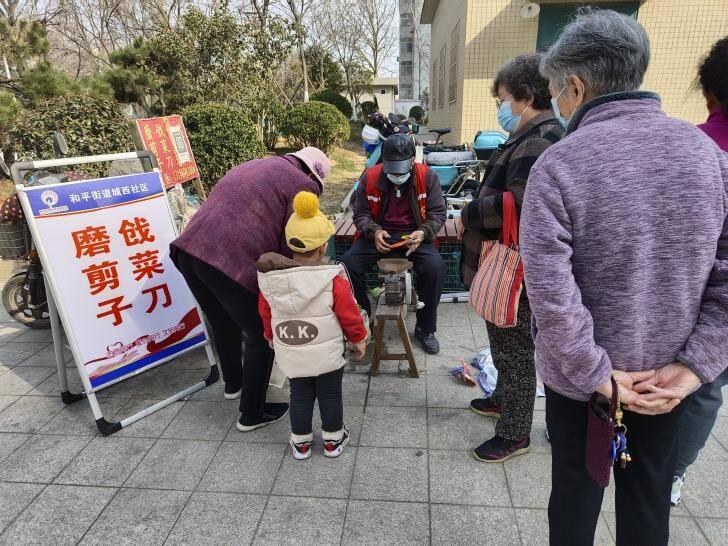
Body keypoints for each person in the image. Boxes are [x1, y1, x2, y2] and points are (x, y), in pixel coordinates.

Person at [520, 9, 728, 546]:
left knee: (575, 492)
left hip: (582, 385)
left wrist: (597, 373)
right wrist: (693, 366)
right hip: (664, 383)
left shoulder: (560, 165)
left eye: (556, 91)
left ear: (575, 85)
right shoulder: (709, 158)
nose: (558, 104)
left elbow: (550, 293)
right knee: (648, 500)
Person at [170, 148, 331, 432]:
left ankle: (234, 384)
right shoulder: (300, 183)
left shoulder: (257, 165)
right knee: (260, 334)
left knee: (223, 323)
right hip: (226, 261)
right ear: (311, 175)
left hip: (190, 251)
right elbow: (293, 244)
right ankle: (252, 413)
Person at [458, 53, 564, 463]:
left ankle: (515, 433)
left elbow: (519, 203)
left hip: (514, 266)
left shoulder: (539, 139)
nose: (502, 107)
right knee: (502, 340)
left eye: (503, 97)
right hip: (503, 260)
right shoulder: (530, 135)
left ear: (524, 95)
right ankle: (503, 398)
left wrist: (466, 213)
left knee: (515, 350)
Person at [257, 191, 367, 460]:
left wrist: (270, 336)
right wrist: (358, 339)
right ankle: (332, 440)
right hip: (326, 354)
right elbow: (350, 315)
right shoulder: (333, 280)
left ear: (290, 245)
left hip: (292, 351)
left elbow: (266, 312)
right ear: (322, 248)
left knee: (300, 395)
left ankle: (301, 443)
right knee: (330, 395)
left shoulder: (272, 280)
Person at [671, 35, 728, 506]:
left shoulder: (691, 149)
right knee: (705, 388)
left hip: (680, 304)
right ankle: (672, 471)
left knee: (691, 384)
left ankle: (662, 467)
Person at [342, 133, 447, 354]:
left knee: (434, 267)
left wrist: (423, 232)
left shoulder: (427, 177)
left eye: (402, 168)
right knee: (347, 266)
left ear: (412, 160)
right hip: (379, 235)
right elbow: (360, 214)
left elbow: (438, 213)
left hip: (414, 237)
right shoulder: (370, 178)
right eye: (392, 169)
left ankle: (425, 328)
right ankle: (364, 320)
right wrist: (374, 230)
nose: (397, 174)